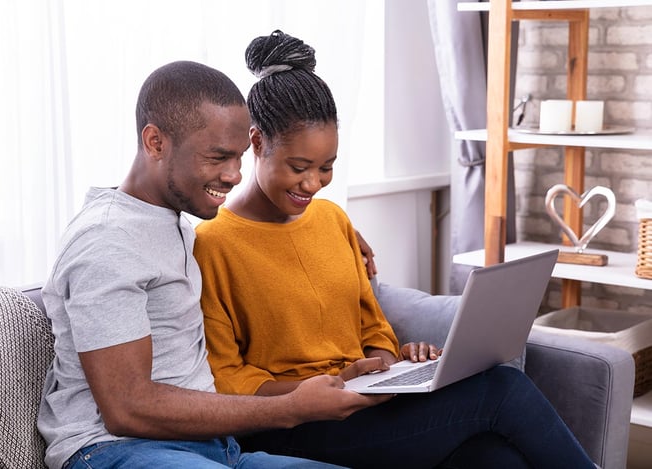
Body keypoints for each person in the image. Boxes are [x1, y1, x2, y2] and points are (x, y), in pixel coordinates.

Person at [193, 30, 596, 469]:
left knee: (496, 458)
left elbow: (373, 329)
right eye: (299, 167)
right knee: (502, 389)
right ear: (256, 143)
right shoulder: (214, 244)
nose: (313, 184)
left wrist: (394, 364)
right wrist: (331, 383)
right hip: (298, 425)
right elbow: (226, 379)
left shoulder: (332, 220)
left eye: (326, 167)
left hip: (369, 407)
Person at [37, 60, 396, 469]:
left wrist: (335, 233)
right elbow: (128, 408)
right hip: (112, 449)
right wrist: (293, 406)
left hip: (214, 449)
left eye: (240, 157)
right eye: (219, 157)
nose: (234, 175)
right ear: (155, 142)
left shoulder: (172, 223)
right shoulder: (108, 241)